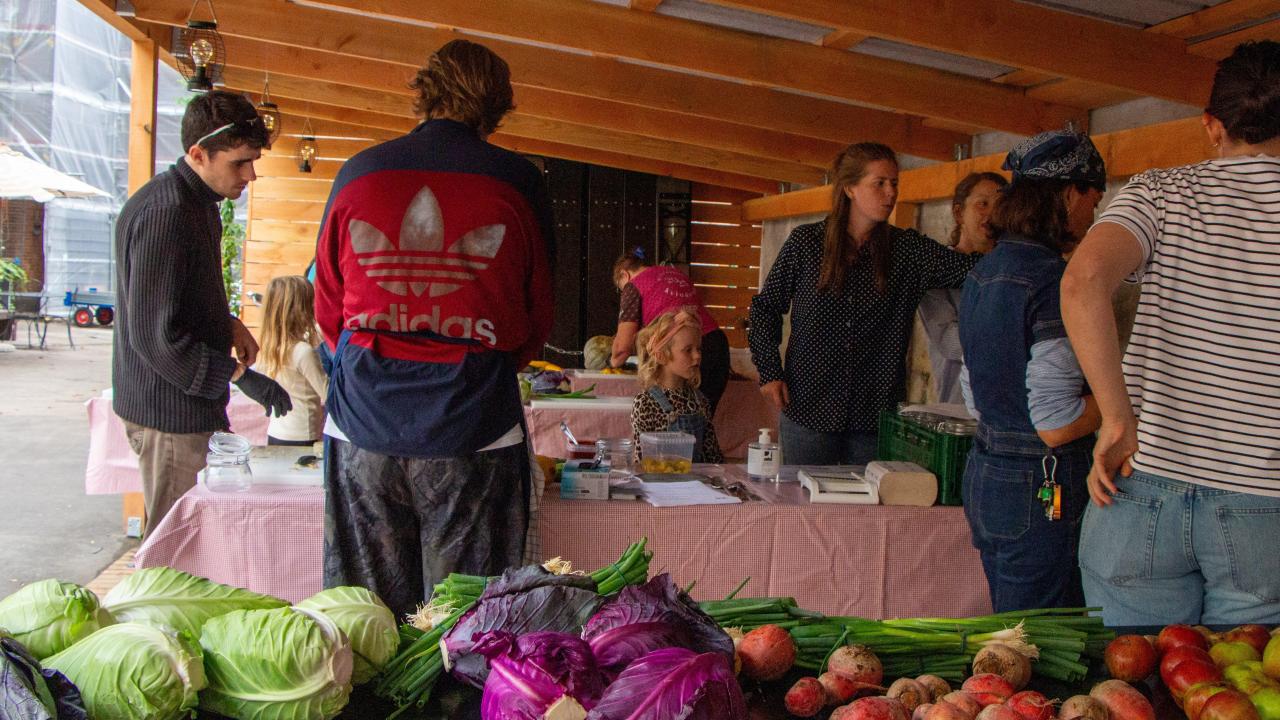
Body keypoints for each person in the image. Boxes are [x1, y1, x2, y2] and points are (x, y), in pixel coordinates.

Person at [313, 39, 555, 620]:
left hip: (363, 420)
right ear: (497, 106)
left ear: (425, 88)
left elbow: (327, 307)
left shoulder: (358, 173)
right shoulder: (518, 182)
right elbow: (536, 317)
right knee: (463, 623)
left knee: (365, 619)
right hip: (473, 422)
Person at [1061, 41, 1280, 626]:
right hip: (1267, 504)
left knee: (1131, 689)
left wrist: (1116, 418)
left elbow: (1081, 283)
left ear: (1212, 126)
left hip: (1141, 482)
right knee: (1241, 688)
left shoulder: (1161, 193)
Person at [112, 90, 291, 536]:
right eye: (239, 162)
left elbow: (182, 292)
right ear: (198, 154)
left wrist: (229, 323)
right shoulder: (166, 212)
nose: (251, 174)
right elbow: (157, 337)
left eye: (253, 161)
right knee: (173, 549)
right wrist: (239, 376)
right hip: (169, 417)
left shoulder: (201, 205)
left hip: (187, 409)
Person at [748, 142, 978, 466]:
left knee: (867, 514)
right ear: (850, 189)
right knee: (804, 510)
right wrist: (769, 371)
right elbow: (765, 307)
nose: (890, 193)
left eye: (894, 183)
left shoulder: (907, 251)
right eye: (879, 183)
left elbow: (970, 271)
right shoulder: (806, 244)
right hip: (809, 406)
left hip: (873, 416)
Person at [957, 131, 1107, 612]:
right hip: (1039, 487)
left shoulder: (982, 273)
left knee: (1011, 639)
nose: (1095, 214)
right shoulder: (1052, 282)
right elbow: (1057, 423)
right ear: (1068, 194)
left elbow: (973, 392)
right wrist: (1128, 405)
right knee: (1040, 646)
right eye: (1094, 198)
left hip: (986, 473)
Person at [917, 172, 1007, 404]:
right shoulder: (937, 269)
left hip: (1008, 405)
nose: (991, 214)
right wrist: (1012, 340)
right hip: (959, 408)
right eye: (982, 204)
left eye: (1000, 206)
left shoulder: (1010, 269)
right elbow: (949, 341)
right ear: (959, 213)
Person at [612, 249, 730, 414]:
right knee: (701, 421)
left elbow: (622, 349)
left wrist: (611, 362)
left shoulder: (634, 285)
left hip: (682, 351)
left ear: (624, 275)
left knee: (675, 424)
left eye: (620, 287)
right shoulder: (674, 273)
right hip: (716, 344)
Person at [631, 310, 724, 464]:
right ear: (662, 355)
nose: (697, 356)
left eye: (699, 349)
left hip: (695, 485)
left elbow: (713, 458)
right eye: (688, 350)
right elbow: (642, 463)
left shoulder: (699, 402)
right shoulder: (645, 403)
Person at [258, 275, 327, 446]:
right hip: (303, 435)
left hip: (277, 432)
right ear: (301, 310)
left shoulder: (273, 346)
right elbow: (327, 392)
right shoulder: (303, 352)